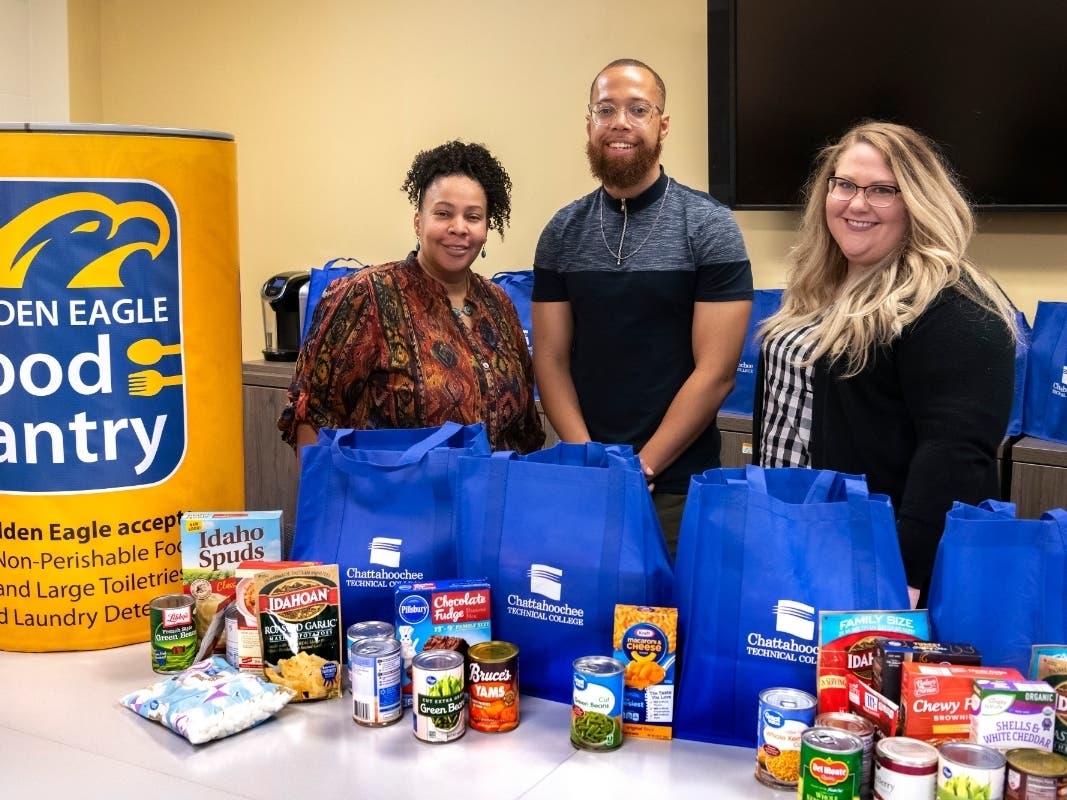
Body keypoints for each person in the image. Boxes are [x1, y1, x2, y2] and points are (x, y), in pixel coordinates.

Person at [753, 120, 1018, 606]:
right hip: (793, 534)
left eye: (883, 190)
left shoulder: (954, 304)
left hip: (877, 563)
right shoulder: (819, 285)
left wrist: (902, 579)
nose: (857, 203)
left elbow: (955, 454)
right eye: (845, 184)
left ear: (919, 200)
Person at [532, 58, 753, 555]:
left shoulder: (709, 227)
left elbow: (716, 372)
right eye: (605, 109)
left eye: (638, 109)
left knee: (665, 629)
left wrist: (640, 469)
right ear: (589, 123)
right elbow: (549, 358)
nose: (620, 123)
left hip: (675, 485)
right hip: (583, 480)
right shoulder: (561, 233)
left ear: (663, 124)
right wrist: (590, 461)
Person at [278, 140, 544, 455]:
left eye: (473, 217)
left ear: (487, 229)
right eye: (443, 213)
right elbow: (311, 415)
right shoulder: (366, 296)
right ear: (418, 222)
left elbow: (525, 430)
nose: (459, 228)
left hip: (492, 499)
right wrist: (321, 498)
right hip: (394, 499)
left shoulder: (499, 304)